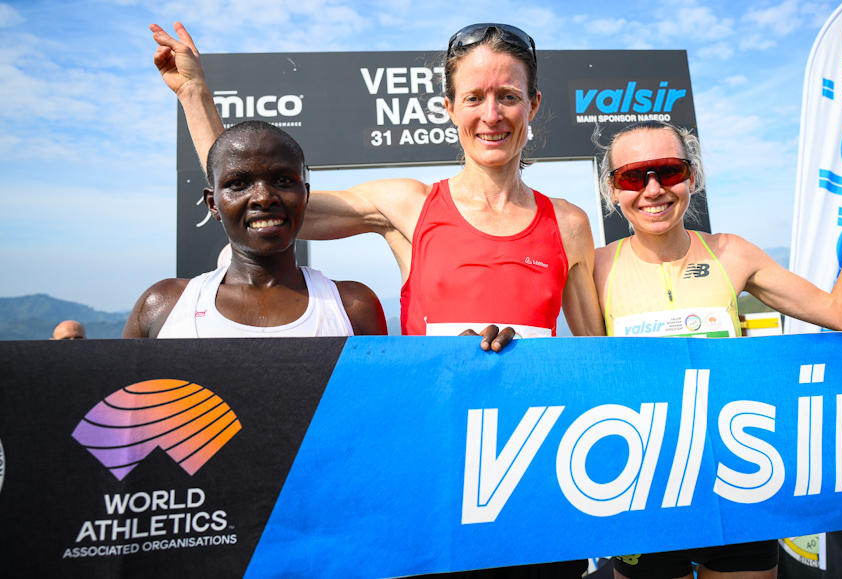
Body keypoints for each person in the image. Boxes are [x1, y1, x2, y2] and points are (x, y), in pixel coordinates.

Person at [150, 21, 605, 351]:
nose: (491, 115)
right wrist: (194, 94)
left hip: (528, 439)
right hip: (430, 438)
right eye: (473, 98)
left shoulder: (567, 224)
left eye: (508, 96)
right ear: (449, 108)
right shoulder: (408, 206)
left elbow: (603, 362)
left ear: (534, 104)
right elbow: (257, 200)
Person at [594, 120, 842, 579]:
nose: (653, 190)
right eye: (634, 177)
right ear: (613, 191)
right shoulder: (594, 268)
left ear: (692, 177)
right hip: (643, 484)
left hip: (736, 475)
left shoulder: (732, 254)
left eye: (669, 171)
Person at [123, 120, 386, 339]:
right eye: (239, 184)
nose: (263, 197)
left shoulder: (354, 306)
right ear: (213, 204)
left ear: (304, 195)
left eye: (283, 180)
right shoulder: (164, 304)